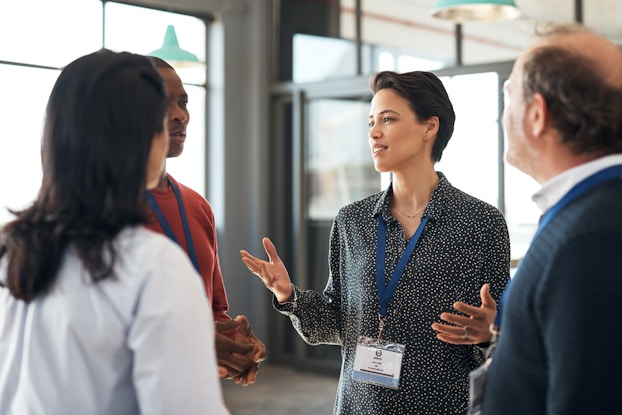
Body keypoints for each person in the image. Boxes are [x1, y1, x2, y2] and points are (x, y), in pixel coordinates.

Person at [241, 70, 511, 414]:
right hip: (360, 406)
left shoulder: (480, 223)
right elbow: (336, 323)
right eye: (371, 121)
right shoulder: (352, 221)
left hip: (444, 407)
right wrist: (286, 294)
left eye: (388, 119)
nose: (374, 132)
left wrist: (491, 332)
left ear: (430, 127)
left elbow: (506, 337)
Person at [0, 49, 228, 414]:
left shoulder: (15, 251)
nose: (177, 118)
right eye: (157, 114)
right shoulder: (152, 267)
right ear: (134, 135)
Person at [480, 24, 622, 415]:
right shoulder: (590, 210)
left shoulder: (591, 238)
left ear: (537, 115)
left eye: (509, 97)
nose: (501, 117)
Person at [145, 56, 266, 385]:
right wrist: (192, 342)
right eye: (162, 103)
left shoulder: (196, 206)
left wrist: (235, 344)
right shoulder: (101, 209)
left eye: (183, 102)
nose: (180, 115)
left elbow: (212, 310)